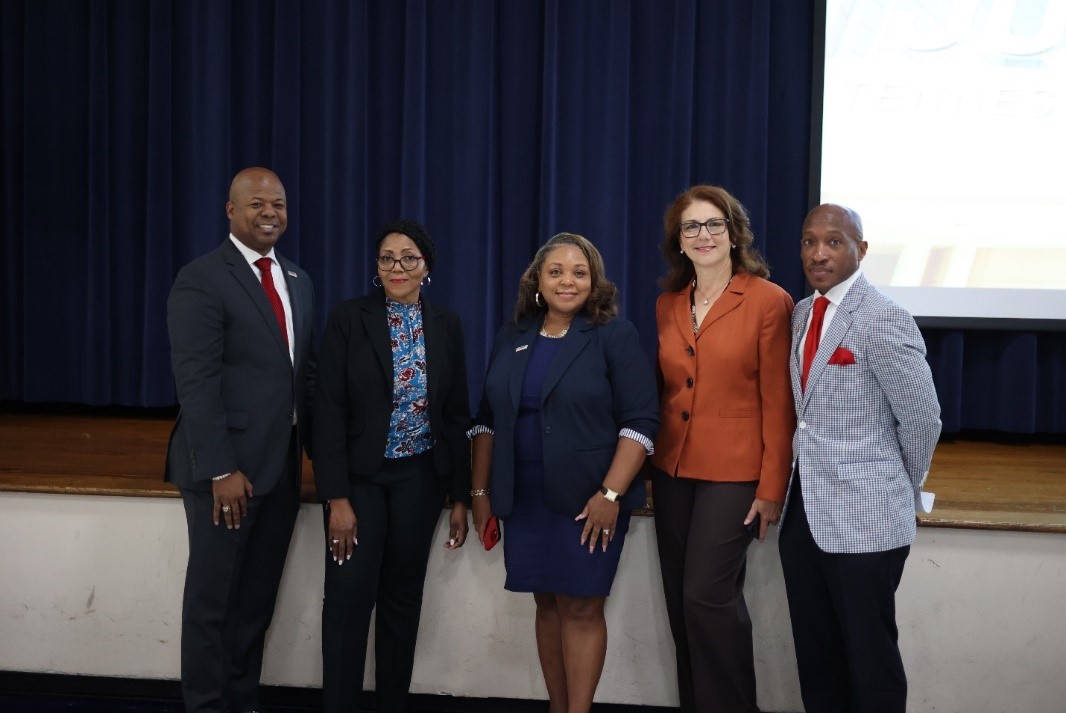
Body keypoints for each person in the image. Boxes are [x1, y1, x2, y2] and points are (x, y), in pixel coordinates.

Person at [468, 232, 659, 713]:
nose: (567, 281)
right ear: (537, 281)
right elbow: (487, 417)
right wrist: (480, 492)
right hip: (526, 497)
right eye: (555, 271)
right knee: (547, 604)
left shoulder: (615, 335)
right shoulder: (513, 335)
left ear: (594, 282)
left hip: (589, 502)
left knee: (580, 605)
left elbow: (640, 423)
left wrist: (610, 496)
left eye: (579, 272)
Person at [165, 167, 317, 713]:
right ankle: (205, 705)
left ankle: (243, 699)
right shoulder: (202, 278)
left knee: (255, 602)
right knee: (212, 605)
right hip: (225, 476)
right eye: (256, 204)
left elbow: (299, 379)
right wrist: (221, 469)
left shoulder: (297, 279)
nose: (269, 212)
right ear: (231, 211)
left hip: (278, 473)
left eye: (277, 203)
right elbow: (197, 382)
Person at [779, 203, 941, 713]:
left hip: (867, 519)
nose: (818, 253)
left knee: (871, 661)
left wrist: (894, 484)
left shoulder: (884, 316)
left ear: (861, 250)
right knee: (817, 657)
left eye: (833, 241)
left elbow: (921, 419)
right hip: (803, 516)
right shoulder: (803, 313)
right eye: (809, 241)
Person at [312, 219, 472, 713]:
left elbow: (456, 413)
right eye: (387, 258)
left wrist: (462, 496)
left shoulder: (446, 324)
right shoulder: (348, 318)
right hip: (358, 482)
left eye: (408, 258)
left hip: (420, 479)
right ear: (375, 267)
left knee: (403, 600)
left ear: (427, 267)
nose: (397, 267)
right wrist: (335, 497)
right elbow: (328, 409)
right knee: (348, 599)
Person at [649, 185, 795, 713]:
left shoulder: (767, 300)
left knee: (706, 598)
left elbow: (779, 403)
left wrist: (772, 485)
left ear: (734, 234)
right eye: (692, 227)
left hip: (736, 472)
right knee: (679, 603)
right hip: (671, 468)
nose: (703, 235)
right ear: (678, 241)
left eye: (714, 225)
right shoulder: (667, 304)